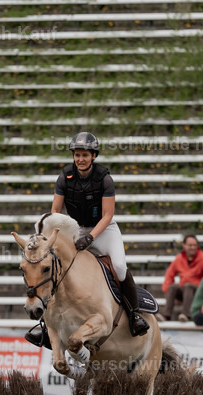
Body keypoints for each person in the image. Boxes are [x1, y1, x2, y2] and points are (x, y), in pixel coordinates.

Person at [52, 131, 147, 337]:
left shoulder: (105, 179)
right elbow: (55, 211)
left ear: (94, 156)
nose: (80, 159)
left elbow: (107, 215)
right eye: (77, 155)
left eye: (85, 155)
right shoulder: (64, 177)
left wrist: (90, 237)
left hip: (104, 229)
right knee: (54, 266)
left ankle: (135, 314)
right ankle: (46, 325)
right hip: (76, 229)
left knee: (119, 266)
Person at [160, 234, 203, 322]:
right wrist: (166, 292)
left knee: (188, 286)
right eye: (190, 245)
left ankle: (186, 315)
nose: (193, 247)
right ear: (184, 246)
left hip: (198, 291)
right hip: (184, 290)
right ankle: (166, 315)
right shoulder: (179, 258)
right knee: (172, 287)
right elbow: (169, 275)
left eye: (195, 245)